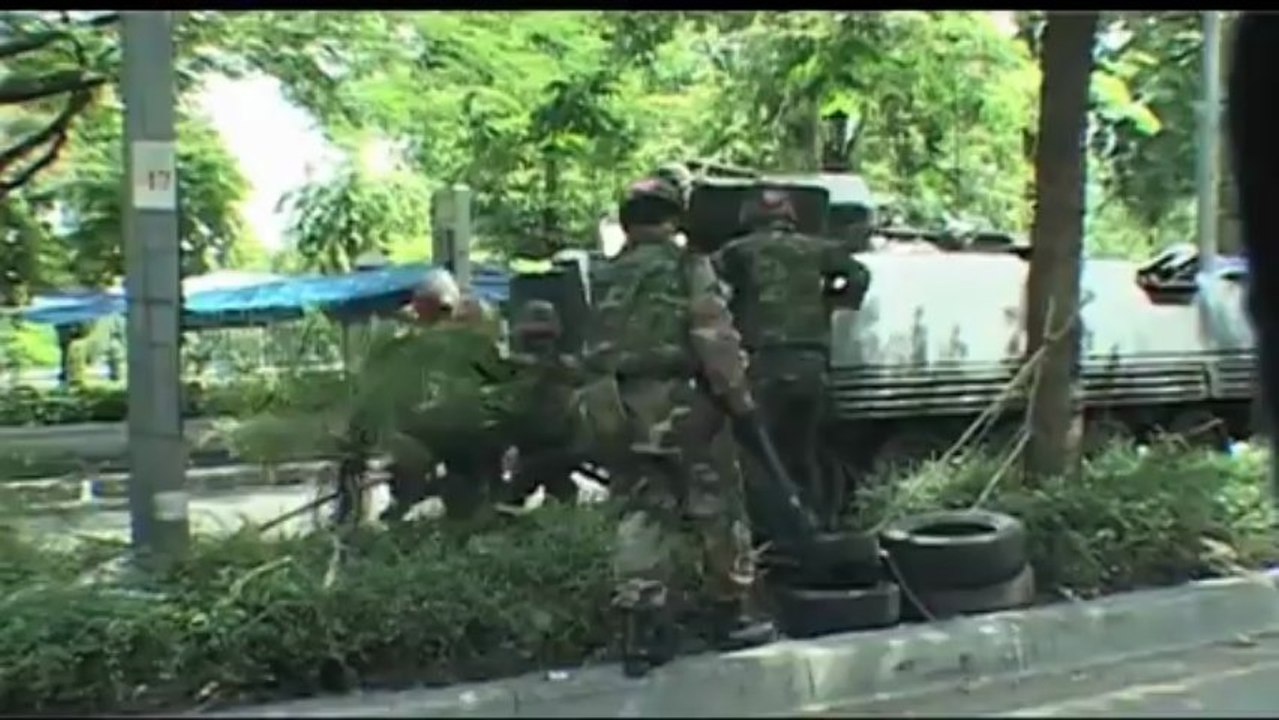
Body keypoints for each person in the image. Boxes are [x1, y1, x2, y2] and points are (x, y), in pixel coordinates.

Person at [580, 175, 775, 678]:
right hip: (682, 403)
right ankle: (728, 613)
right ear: (672, 218)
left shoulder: (604, 273)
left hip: (620, 408)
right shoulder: (688, 266)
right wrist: (739, 399)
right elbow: (713, 335)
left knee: (644, 511)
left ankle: (642, 627)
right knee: (717, 503)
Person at [713, 188, 870, 523]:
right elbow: (859, 274)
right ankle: (821, 522)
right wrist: (833, 302)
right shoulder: (817, 248)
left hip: (763, 363)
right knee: (806, 449)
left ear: (750, 218)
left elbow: (710, 292)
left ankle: (776, 531)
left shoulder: (735, 252)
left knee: (760, 454)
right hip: (811, 363)